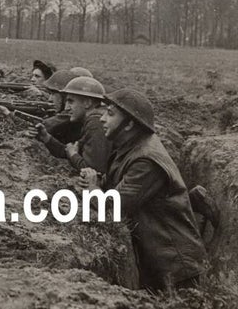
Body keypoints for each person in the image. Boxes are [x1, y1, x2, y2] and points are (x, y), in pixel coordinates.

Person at [79, 88, 207, 292]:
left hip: (175, 268)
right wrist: (98, 182)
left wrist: (93, 188)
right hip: (159, 260)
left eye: (110, 114)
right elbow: (118, 183)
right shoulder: (130, 147)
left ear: (130, 123)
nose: (102, 119)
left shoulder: (146, 160)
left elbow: (112, 208)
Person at [32, 76, 111, 173]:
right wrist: (46, 137)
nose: (67, 107)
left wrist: (73, 155)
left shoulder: (96, 124)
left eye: (71, 101)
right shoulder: (92, 121)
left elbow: (93, 171)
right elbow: (68, 151)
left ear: (87, 103)